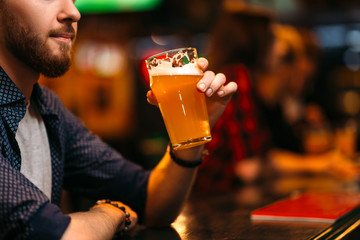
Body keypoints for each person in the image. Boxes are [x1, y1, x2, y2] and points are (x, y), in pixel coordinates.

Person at [0, 0, 237, 239]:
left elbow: (152, 202)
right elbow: (60, 235)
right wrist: (111, 213)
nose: (74, 12)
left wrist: (192, 131)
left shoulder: (46, 107)